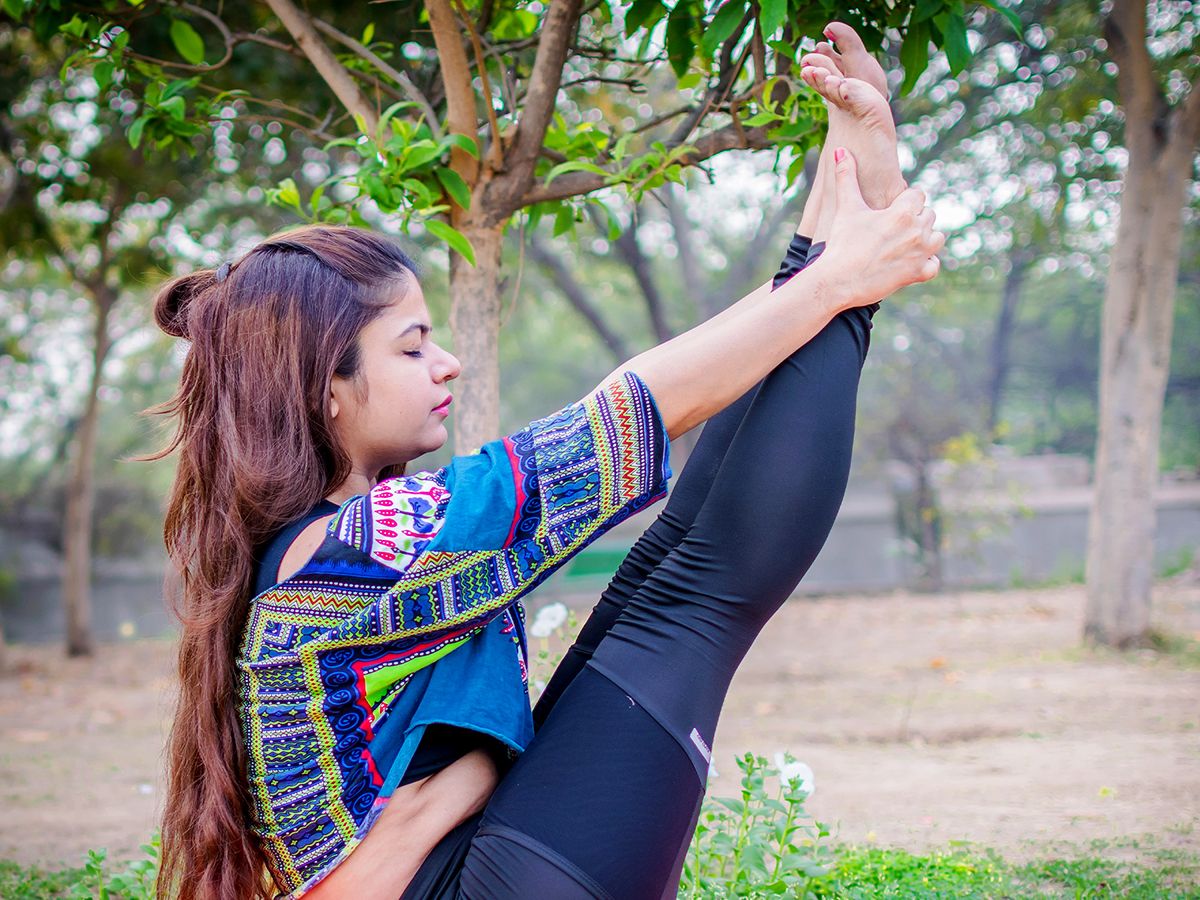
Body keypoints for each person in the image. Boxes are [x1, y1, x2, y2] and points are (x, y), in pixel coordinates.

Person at [150, 22, 938, 900]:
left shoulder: (310, 551)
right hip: (483, 882)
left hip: (487, 863)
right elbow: (629, 414)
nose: (445, 363)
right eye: (412, 349)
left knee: (666, 568)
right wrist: (840, 283)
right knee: (691, 599)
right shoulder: (363, 547)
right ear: (326, 390)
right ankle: (855, 269)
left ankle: (850, 222)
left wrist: (831, 220)